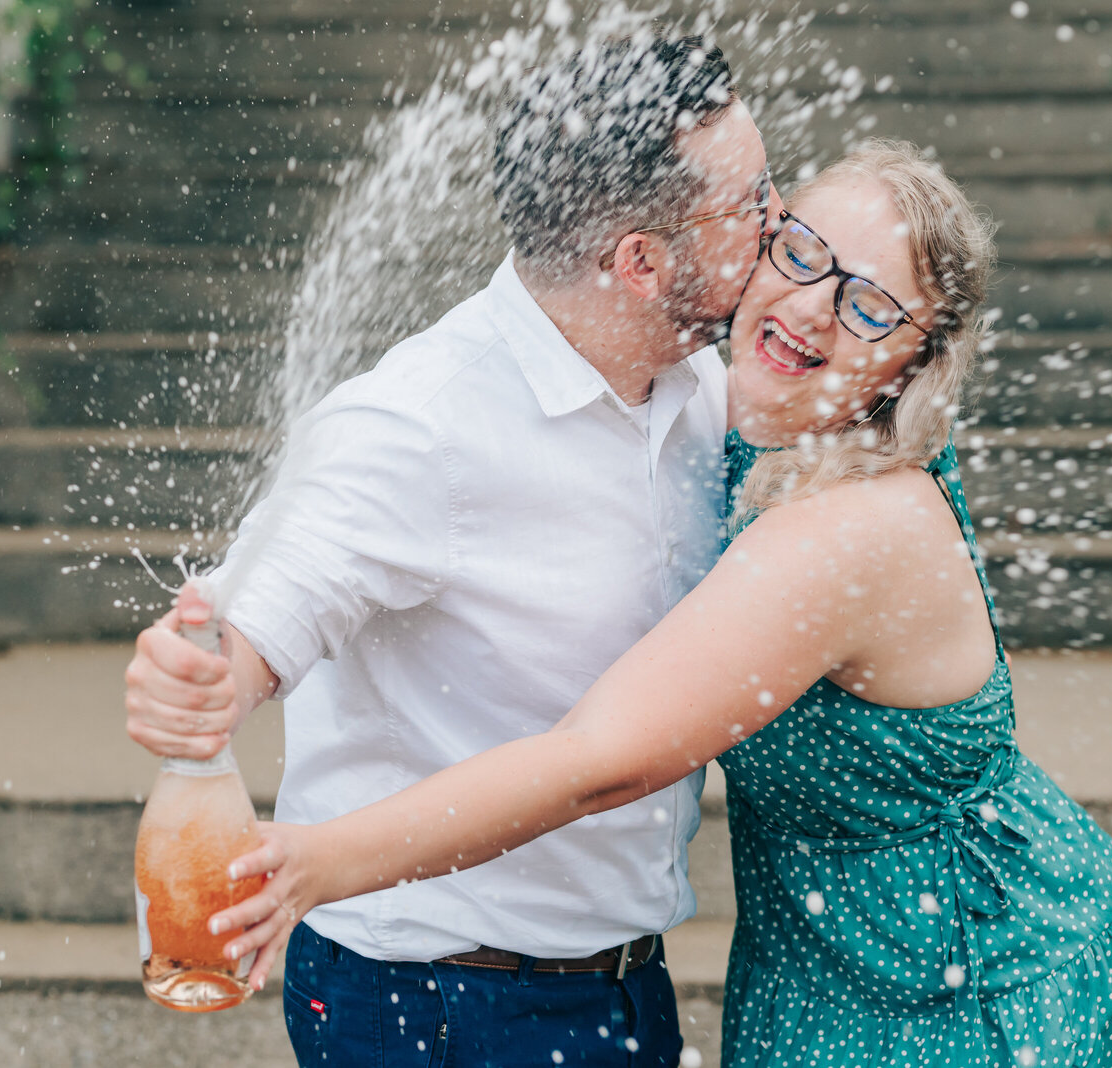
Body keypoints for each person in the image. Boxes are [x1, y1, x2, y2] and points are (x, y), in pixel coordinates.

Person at [202, 140, 1112, 1068]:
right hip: (834, 955)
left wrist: (314, 862)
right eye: (803, 253)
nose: (816, 306)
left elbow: (603, 760)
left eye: (869, 307)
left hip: (970, 977)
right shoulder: (715, 410)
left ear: (913, 361)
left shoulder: (853, 526)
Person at [124, 33, 781, 1067]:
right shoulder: (417, 424)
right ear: (638, 261)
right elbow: (260, 614)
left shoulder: (708, 388)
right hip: (432, 1003)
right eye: (750, 206)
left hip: (621, 983)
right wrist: (206, 680)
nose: (779, 226)